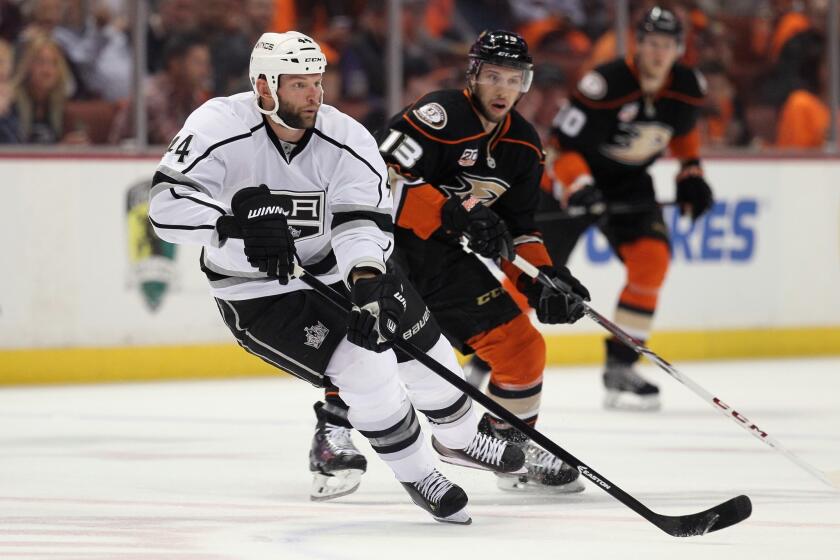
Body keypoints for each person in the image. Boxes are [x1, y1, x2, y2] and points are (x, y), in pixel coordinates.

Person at [148, 31, 526, 525]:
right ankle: (419, 474)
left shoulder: (346, 137)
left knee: (429, 357)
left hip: (339, 267)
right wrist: (229, 224)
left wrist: (367, 280)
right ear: (264, 87)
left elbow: (361, 221)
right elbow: (164, 206)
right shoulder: (217, 125)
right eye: (299, 84)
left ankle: (459, 438)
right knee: (367, 372)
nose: (314, 95)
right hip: (260, 292)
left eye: (317, 82)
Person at [311, 30, 592, 496]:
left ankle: (507, 448)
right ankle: (331, 434)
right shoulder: (438, 116)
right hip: (379, 246)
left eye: (514, 79)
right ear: (473, 75)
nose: (503, 89)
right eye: (494, 76)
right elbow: (373, 182)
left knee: (522, 348)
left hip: (440, 258)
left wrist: (543, 281)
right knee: (368, 340)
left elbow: (519, 230)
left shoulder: (522, 146)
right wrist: (451, 212)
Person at [541, 6, 713, 411]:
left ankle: (621, 365)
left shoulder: (688, 86)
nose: (657, 53)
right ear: (638, 45)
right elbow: (561, 147)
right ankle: (487, 356)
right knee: (532, 274)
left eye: (665, 45)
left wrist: (691, 172)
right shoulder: (607, 84)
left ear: (678, 49)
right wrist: (580, 188)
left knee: (651, 262)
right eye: (650, 44)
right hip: (570, 180)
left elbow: (683, 134)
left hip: (630, 183)